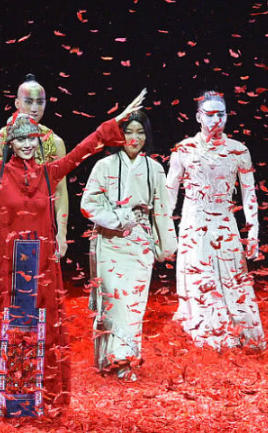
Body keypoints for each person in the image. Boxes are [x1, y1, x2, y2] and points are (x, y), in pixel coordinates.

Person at [0, 84, 144, 417]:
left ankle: (36, 399)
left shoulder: (50, 173)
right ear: (10, 143)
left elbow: (83, 149)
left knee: (39, 327)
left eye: (32, 139)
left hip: (40, 268)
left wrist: (117, 122)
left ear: (39, 142)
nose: (26, 144)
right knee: (5, 326)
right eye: (20, 139)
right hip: (6, 267)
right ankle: (2, 399)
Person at [80, 110, 177, 381]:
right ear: (119, 135)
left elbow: (162, 210)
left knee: (133, 303)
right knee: (113, 300)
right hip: (109, 241)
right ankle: (109, 357)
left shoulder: (155, 169)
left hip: (140, 242)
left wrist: (165, 246)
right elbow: (87, 204)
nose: (135, 138)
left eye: (140, 132)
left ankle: (124, 361)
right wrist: (117, 218)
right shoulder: (104, 166)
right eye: (129, 132)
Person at [165, 91, 264, 350]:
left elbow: (249, 194)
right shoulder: (183, 149)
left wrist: (253, 233)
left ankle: (235, 331)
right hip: (194, 221)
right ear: (198, 117)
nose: (216, 120)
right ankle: (209, 334)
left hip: (224, 221)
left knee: (232, 278)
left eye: (221, 114)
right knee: (200, 277)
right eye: (209, 115)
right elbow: (169, 192)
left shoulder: (238, 150)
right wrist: (163, 230)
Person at [0, 74, 70, 259]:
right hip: (6, 228)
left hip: (41, 228)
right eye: (28, 101)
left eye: (40, 102)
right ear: (17, 103)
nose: (34, 108)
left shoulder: (54, 143)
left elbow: (60, 190)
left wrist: (62, 232)